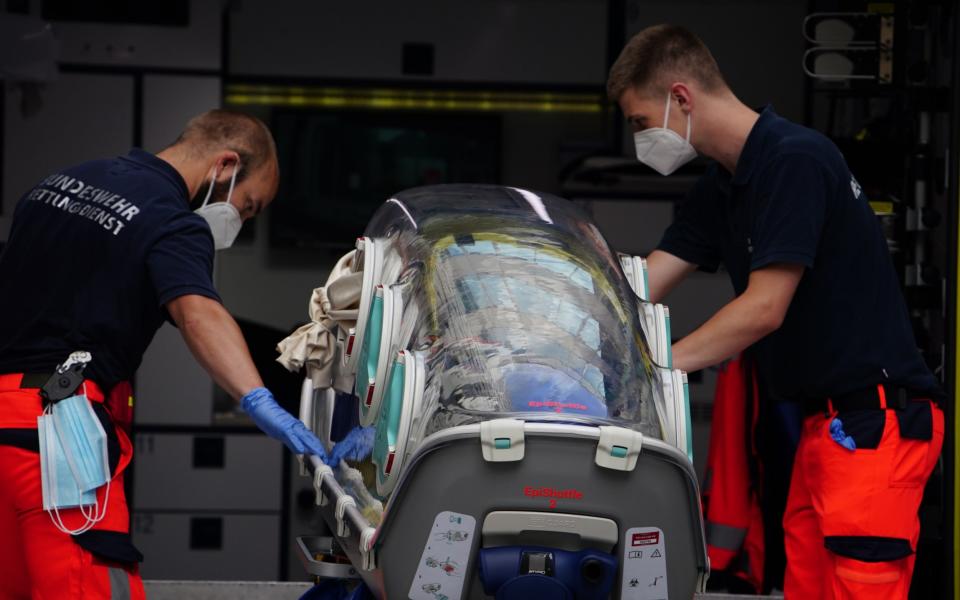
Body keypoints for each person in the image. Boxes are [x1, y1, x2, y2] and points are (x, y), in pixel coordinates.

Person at [607, 25, 944, 599]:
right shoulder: (726, 184)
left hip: (874, 426)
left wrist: (657, 367)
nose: (640, 140)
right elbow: (641, 284)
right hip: (826, 429)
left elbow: (764, 308)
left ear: (681, 98)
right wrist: (569, 318)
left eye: (641, 122)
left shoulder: (796, 160)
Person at [0, 109, 326, 599]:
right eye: (249, 205)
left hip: (6, 418)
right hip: (56, 434)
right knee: (89, 587)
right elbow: (199, 314)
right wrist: (261, 401)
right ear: (225, 165)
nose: (240, 220)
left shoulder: (62, 182)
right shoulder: (170, 219)